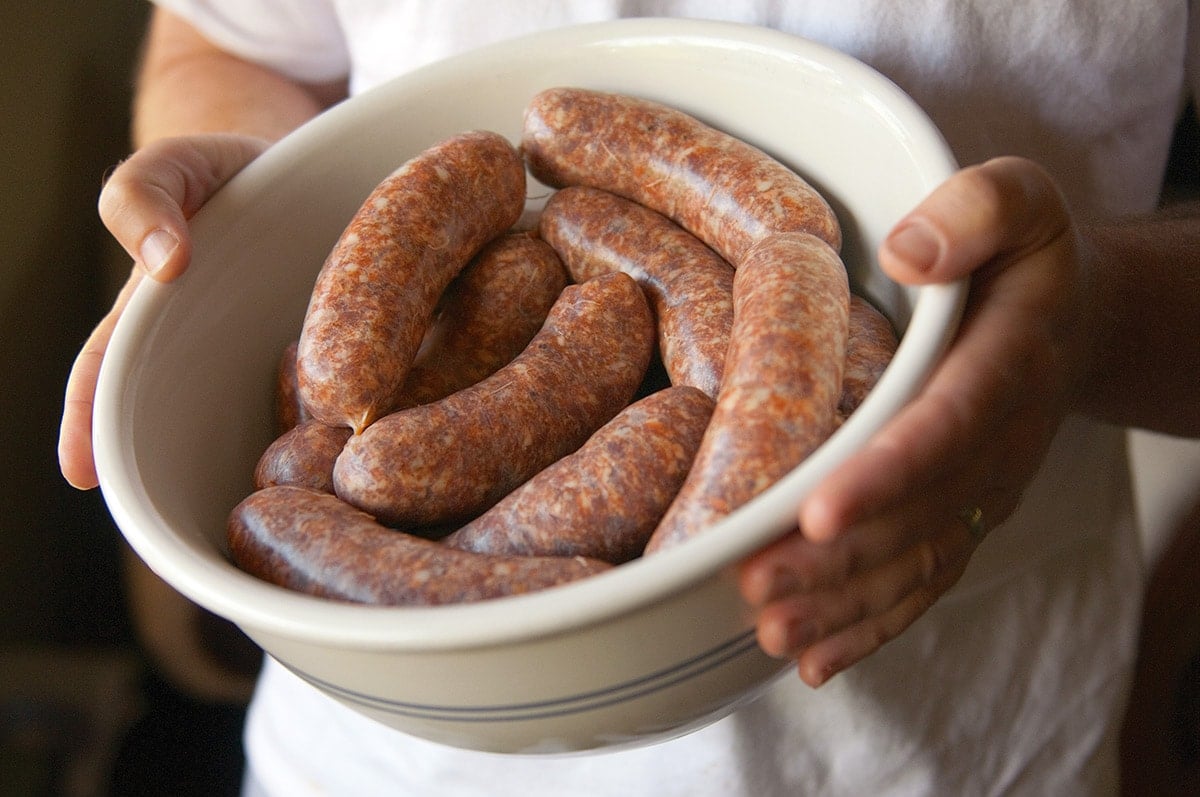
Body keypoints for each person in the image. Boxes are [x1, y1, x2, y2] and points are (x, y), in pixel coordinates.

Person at [59, 1, 1200, 794]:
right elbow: (229, 36)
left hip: (956, 742)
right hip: (380, 758)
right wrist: (244, 217)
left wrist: (1092, 319)